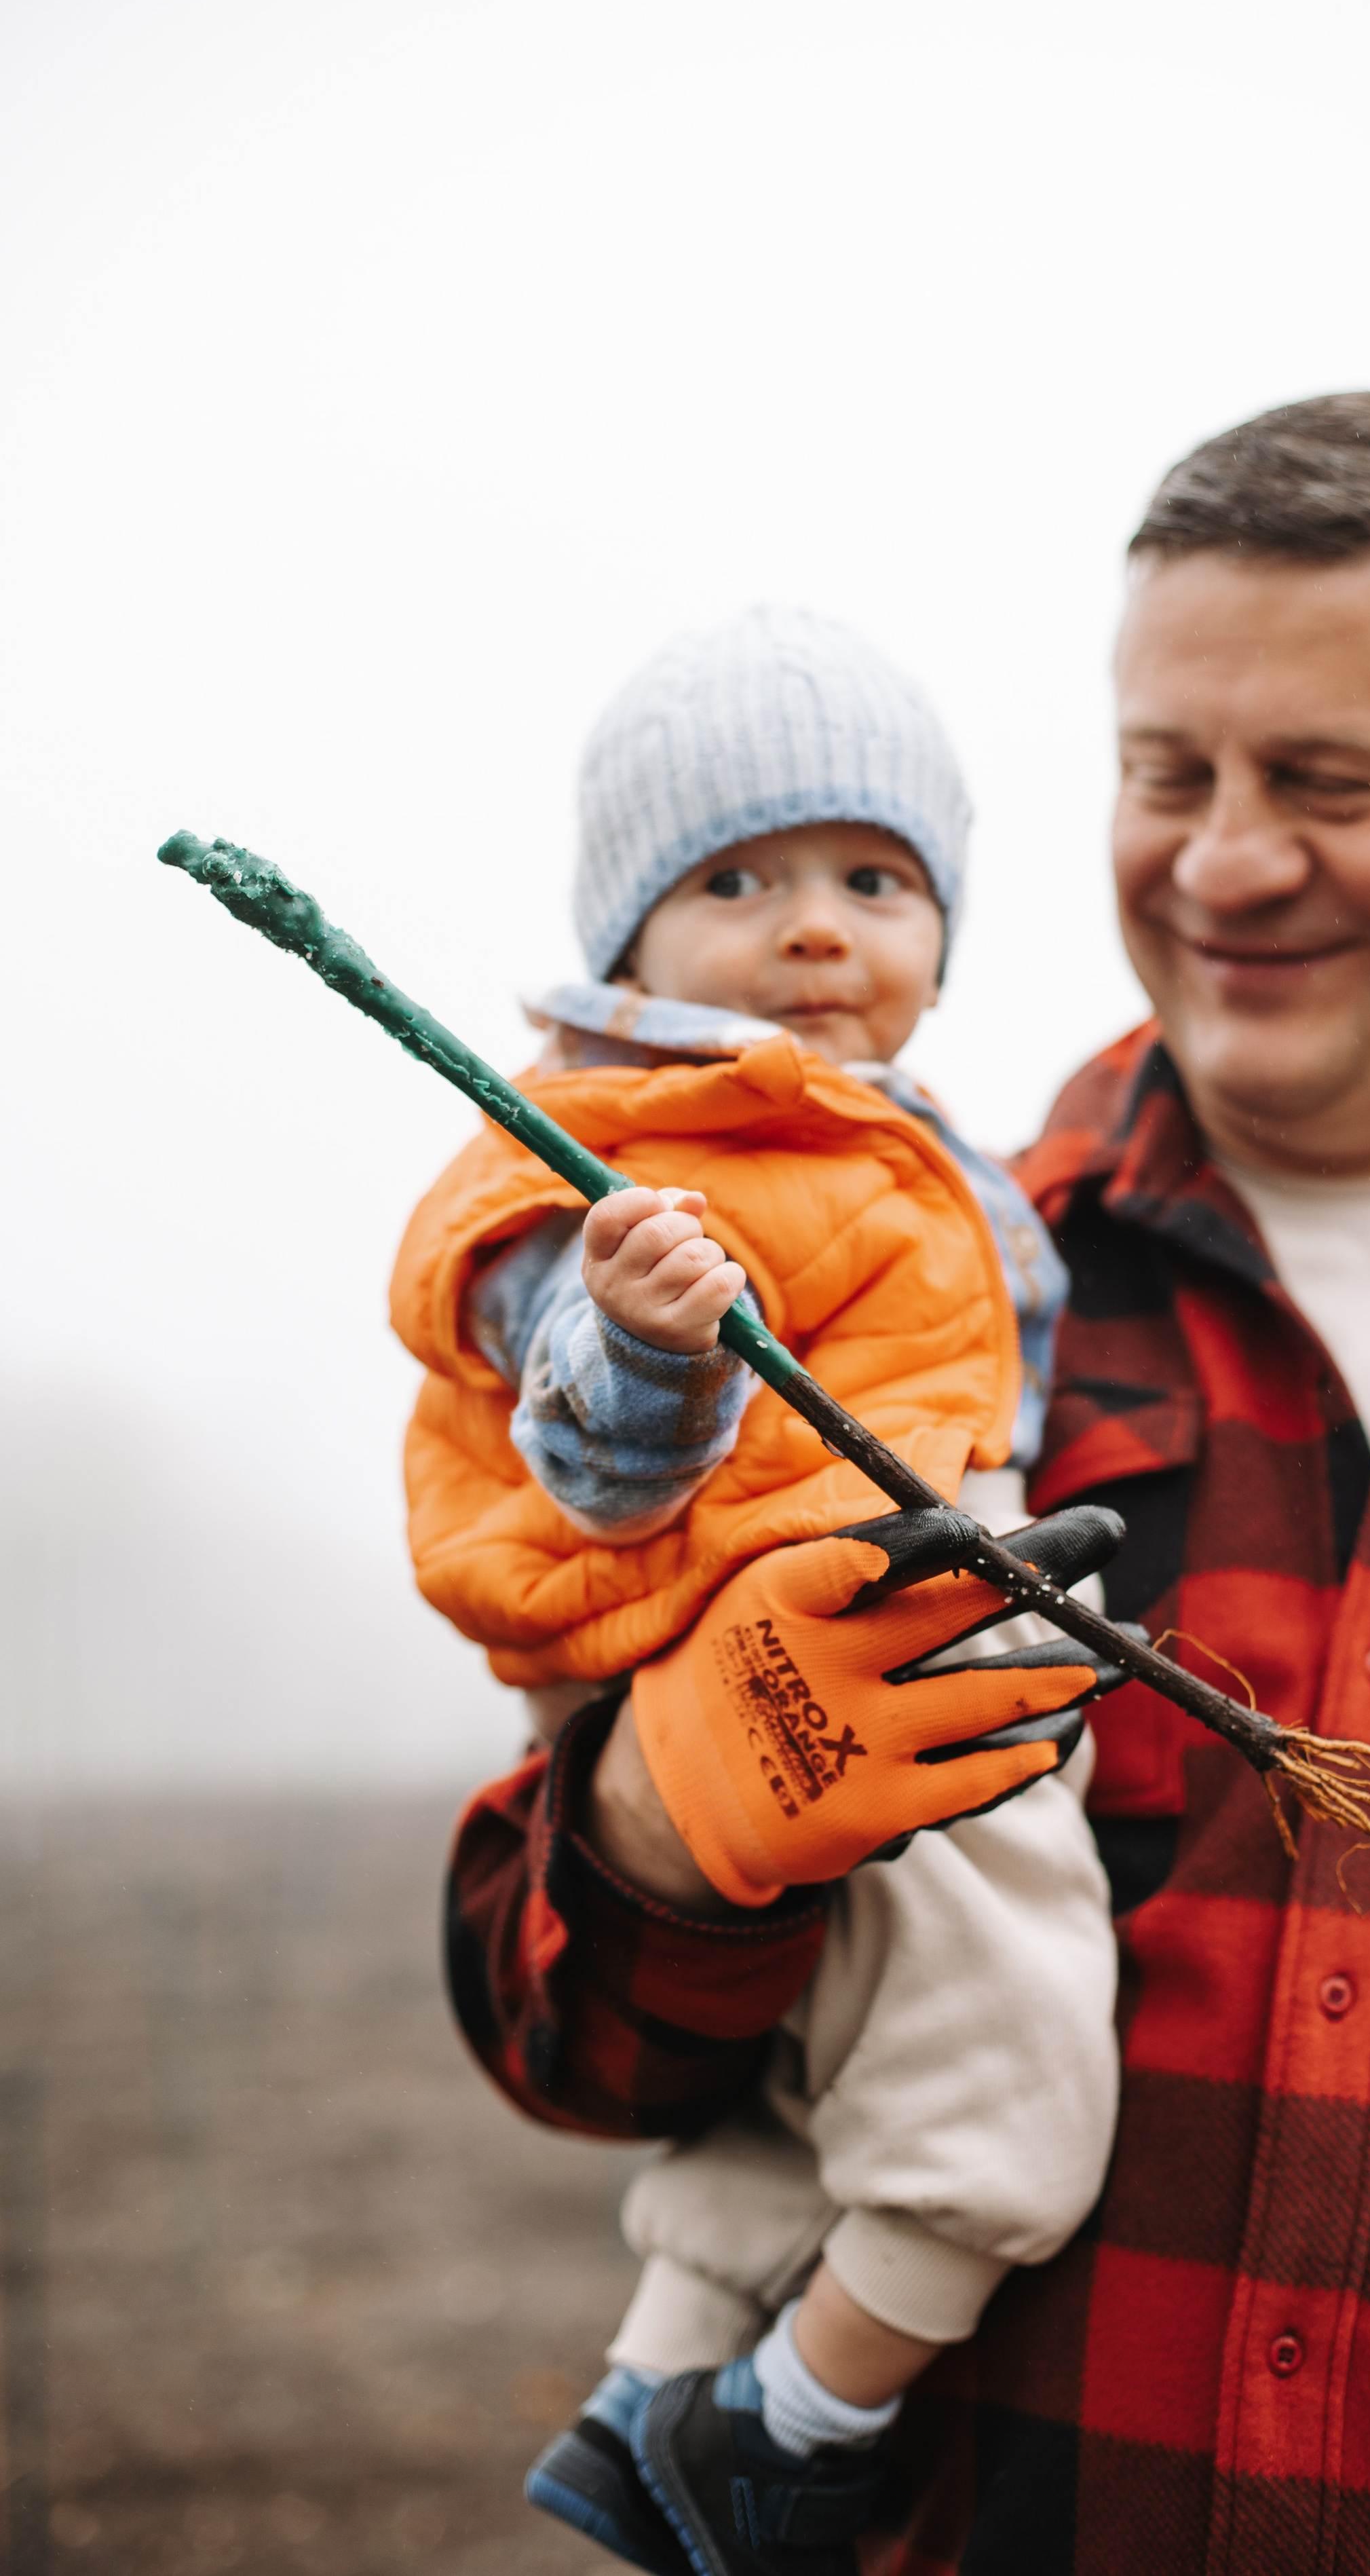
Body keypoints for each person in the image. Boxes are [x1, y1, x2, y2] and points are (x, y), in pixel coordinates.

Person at [444, 397, 1370, 2572]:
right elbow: (560, 2044)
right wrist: (673, 1824)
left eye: (1331, 779)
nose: (1224, 858)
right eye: (1172, 774)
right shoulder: (922, 1304)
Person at [390, 608, 1122, 2575]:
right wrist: (659, 1347)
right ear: (626, 940)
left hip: (825, 1635)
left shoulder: (863, 1133)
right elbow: (587, 1447)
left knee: (804, 2081)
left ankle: (652, 2397)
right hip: (815, 1650)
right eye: (741, 880)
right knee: (1016, 2054)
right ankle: (797, 2424)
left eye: (875, 880)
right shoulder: (636, 1154)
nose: (819, 929)